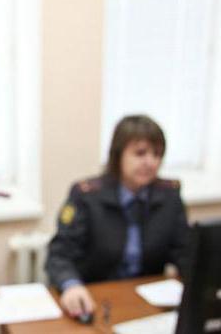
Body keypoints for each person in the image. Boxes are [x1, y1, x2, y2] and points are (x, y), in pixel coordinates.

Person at [45, 115, 189, 319]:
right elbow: (60, 255)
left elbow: (185, 252)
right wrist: (71, 285)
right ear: (118, 155)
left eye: (157, 154)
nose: (150, 162)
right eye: (140, 153)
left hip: (148, 304)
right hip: (95, 301)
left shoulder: (169, 197)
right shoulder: (87, 196)